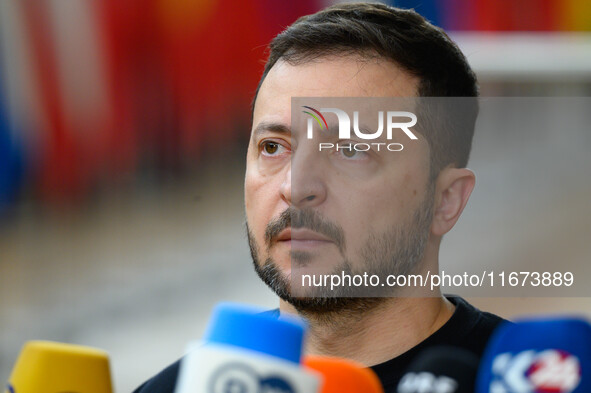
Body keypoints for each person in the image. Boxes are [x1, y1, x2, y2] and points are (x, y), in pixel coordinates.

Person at [134, 3, 506, 392]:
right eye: (274, 147)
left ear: (445, 200)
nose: (295, 187)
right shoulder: (181, 387)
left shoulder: (530, 380)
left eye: (351, 151)